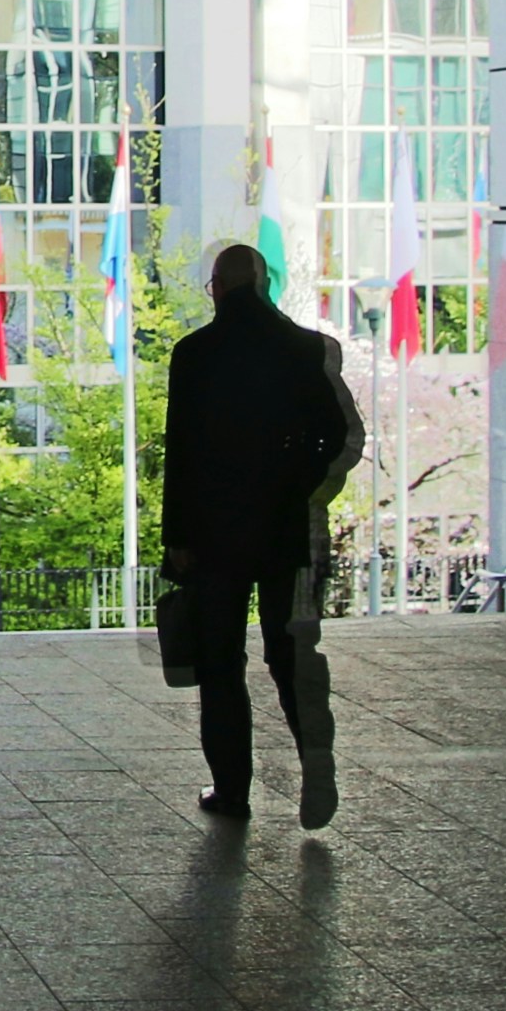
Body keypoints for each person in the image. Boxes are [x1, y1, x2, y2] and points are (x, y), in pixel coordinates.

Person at [158, 243, 364, 829]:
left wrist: (178, 537)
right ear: (265, 284)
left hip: (217, 533)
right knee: (291, 654)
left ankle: (232, 790)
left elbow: (184, 453)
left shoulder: (195, 355)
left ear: (216, 289)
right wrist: (301, 484)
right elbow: (338, 433)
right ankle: (315, 768)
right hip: (286, 530)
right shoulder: (306, 349)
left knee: (221, 663)